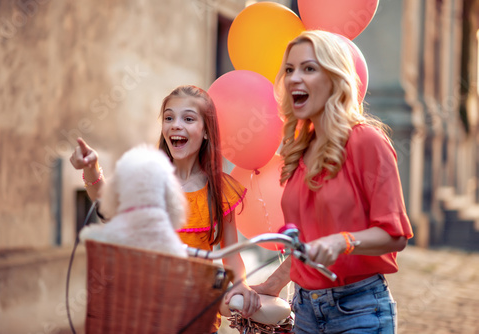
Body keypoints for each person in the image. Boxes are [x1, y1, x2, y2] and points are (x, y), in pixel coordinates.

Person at [251, 30, 414, 333]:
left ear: (334, 78)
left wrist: (344, 241)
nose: (294, 78)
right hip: (305, 311)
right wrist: (271, 286)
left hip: (359, 310)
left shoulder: (366, 141)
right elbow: (306, 246)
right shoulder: (300, 148)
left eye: (309, 68)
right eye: (289, 70)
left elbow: (396, 235)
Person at [70, 85, 260, 333]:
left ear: (206, 132)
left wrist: (241, 284)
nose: (175, 125)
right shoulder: (150, 177)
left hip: (197, 318)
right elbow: (108, 204)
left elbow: (232, 255)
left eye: (188, 118)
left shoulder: (220, 188)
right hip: (145, 313)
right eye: (169, 117)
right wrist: (91, 168)